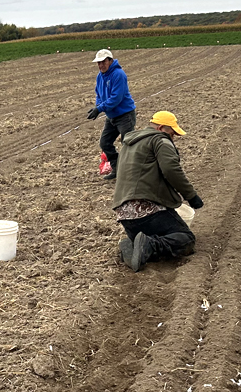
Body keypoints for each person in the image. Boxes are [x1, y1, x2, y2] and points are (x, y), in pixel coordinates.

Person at [111, 111, 203, 272]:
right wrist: (191, 196)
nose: (173, 137)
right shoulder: (160, 140)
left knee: (147, 238)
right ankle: (150, 245)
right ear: (161, 128)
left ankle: (134, 246)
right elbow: (171, 169)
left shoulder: (128, 144)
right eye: (172, 133)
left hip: (124, 214)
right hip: (147, 209)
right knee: (186, 240)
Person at [87, 48, 137, 181]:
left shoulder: (118, 74)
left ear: (110, 60)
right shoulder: (100, 76)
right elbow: (99, 94)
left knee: (128, 144)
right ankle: (118, 168)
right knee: (105, 143)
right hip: (112, 116)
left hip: (125, 115)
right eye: (98, 63)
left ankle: (132, 174)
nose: (100, 65)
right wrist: (98, 106)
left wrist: (100, 109)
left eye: (103, 62)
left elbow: (116, 98)